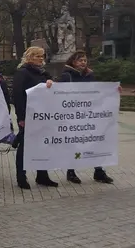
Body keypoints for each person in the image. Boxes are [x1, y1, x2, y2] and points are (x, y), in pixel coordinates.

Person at [59, 51, 114, 184]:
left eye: (84, 60)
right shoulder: (67, 76)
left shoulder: (90, 75)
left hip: (90, 114)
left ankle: (99, 171)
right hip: (73, 115)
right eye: (80, 60)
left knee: (95, 142)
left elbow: (96, 92)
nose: (83, 62)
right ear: (73, 61)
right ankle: (71, 171)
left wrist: (113, 91)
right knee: (75, 145)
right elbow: (59, 94)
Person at [12, 46, 56, 189]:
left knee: (42, 145)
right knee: (25, 147)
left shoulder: (43, 73)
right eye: (37, 56)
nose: (41, 58)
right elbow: (17, 96)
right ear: (29, 57)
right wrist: (21, 117)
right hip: (28, 116)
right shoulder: (22, 72)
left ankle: (42, 175)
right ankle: (21, 176)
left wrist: (50, 81)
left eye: (42, 56)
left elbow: (50, 86)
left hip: (43, 116)